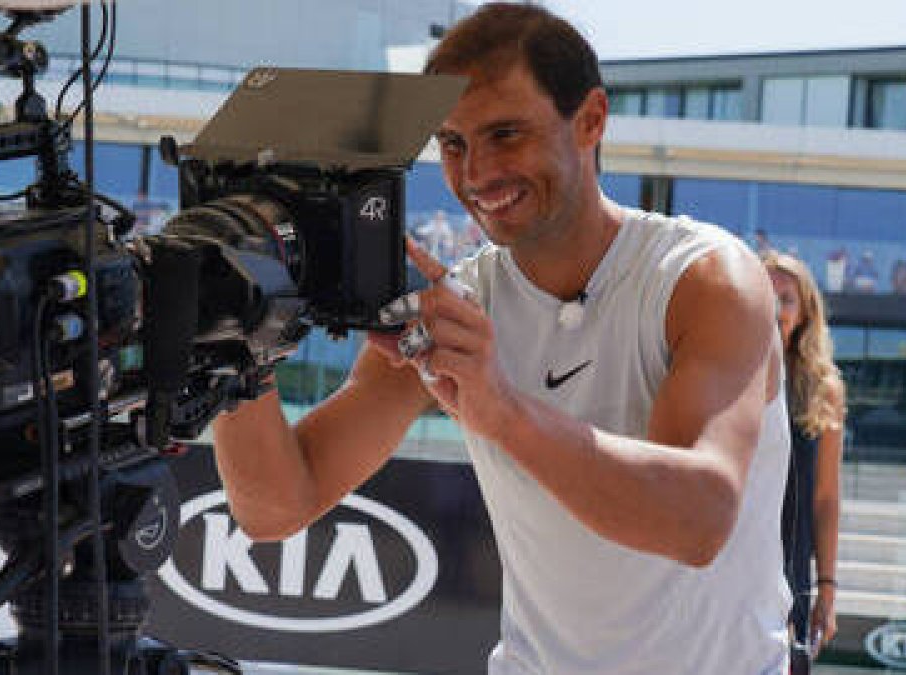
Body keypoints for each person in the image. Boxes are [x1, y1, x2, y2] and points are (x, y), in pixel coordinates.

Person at [213, 4, 791, 673]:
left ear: (591, 120)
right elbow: (277, 505)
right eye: (452, 144)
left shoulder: (706, 278)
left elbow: (697, 520)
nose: (476, 173)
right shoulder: (457, 304)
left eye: (505, 133)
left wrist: (504, 412)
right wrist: (236, 343)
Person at [762, 252, 845, 673]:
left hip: (791, 571)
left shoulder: (823, 388)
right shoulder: (723, 370)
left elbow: (826, 498)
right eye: (767, 294)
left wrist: (827, 589)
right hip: (730, 564)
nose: (777, 307)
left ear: (805, 311)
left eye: (787, 298)